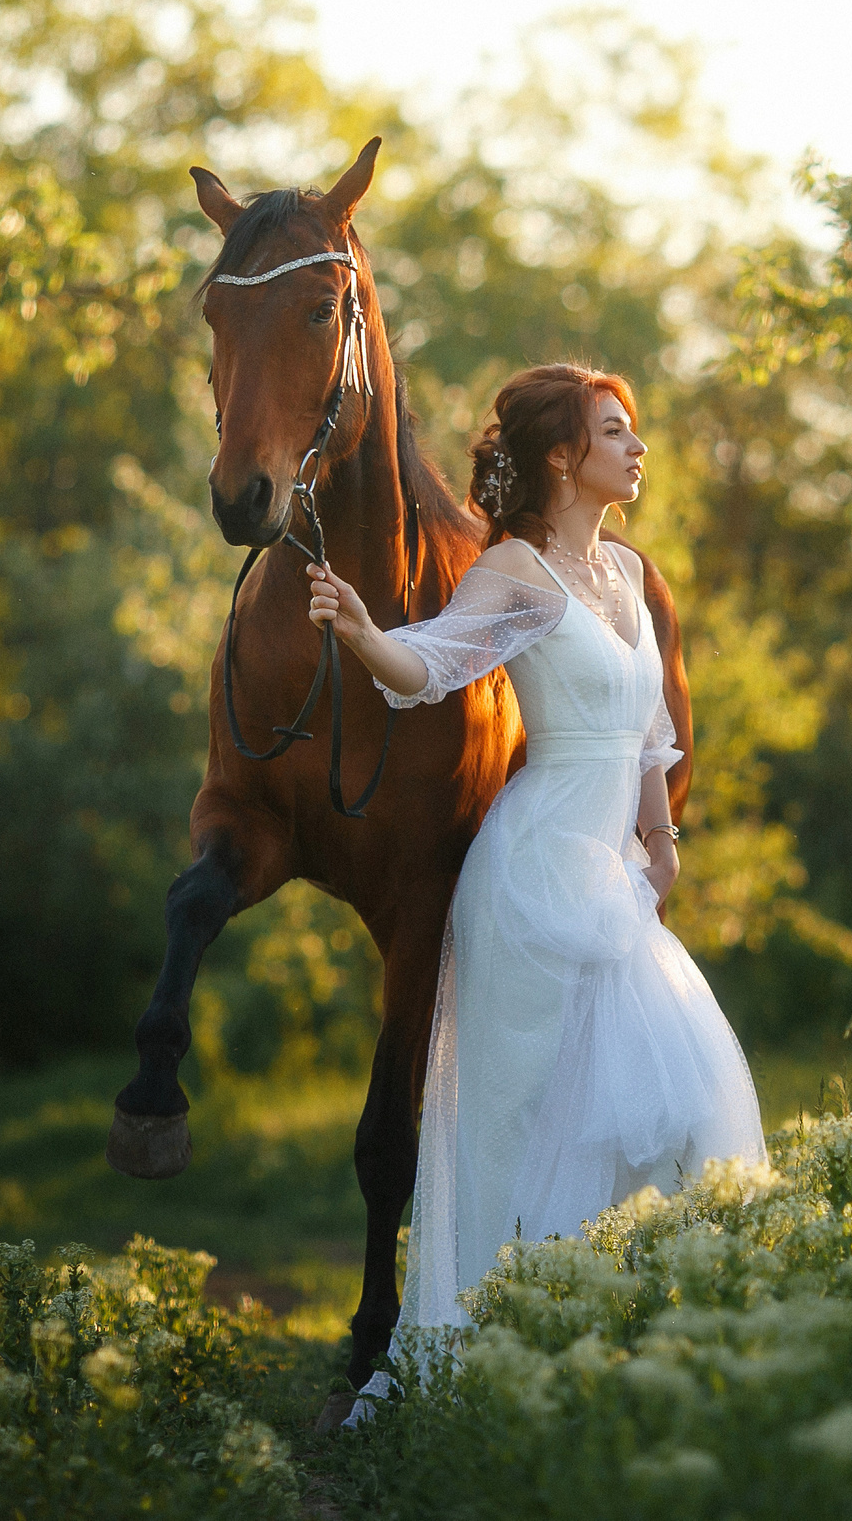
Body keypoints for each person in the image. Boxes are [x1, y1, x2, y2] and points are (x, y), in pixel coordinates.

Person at [306, 362, 766, 1377]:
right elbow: (429, 669)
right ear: (562, 454)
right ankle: (475, 1358)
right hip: (527, 881)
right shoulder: (514, 569)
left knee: (665, 1107)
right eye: (615, 431)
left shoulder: (634, 572)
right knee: (514, 1127)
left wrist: (661, 842)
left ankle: (602, 1346)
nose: (636, 448)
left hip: (614, 885)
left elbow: (649, 729)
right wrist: (361, 630)